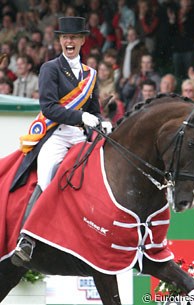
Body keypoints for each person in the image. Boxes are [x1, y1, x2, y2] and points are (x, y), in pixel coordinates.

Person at [11, 16, 103, 266]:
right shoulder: (50, 69)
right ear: (61, 41)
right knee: (47, 175)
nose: (69, 41)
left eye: (73, 37)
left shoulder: (91, 75)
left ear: (82, 40)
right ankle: (26, 239)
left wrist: (101, 122)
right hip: (56, 134)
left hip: (80, 137)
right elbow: (49, 107)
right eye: (65, 37)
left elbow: (94, 109)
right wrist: (81, 115)